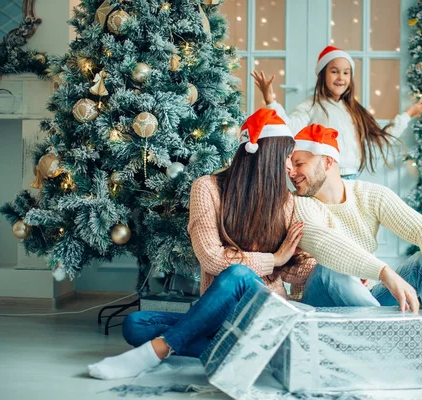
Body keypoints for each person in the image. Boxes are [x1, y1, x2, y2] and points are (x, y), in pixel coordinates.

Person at [87, 108, 315, 380]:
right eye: (287, 157)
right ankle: (243, 351)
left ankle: (158, 350)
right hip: (219, 312)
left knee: (238, 273)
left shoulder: (287, 202)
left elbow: (292, 267)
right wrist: (272, 259)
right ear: (266, 156)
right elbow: (212, 259)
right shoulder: (207, 188)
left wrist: (324, 267)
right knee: (136, 324)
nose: (290, 167)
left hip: (264, 312)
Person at [289, 123, 422, 377]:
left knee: (420, 263)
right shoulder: (299, 203)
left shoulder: (368, 195)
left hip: (365, 303)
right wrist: (385, 273)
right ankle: (415, 351)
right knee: (330, 269)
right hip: (322, 306)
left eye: (299, 163)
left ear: (327, 161)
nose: (291, 172)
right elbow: (327, 247)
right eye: (291, 165)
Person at [252, 45, 422, 179]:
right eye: (334, 72)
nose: (341, 77)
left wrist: (407, 114)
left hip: (352, 177)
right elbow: (289, 127)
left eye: (346, 73)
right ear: (323, 75)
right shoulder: (312, 106)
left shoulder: (355, 110)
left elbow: (382, 138)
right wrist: (270, 99)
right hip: (324, 178)